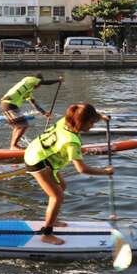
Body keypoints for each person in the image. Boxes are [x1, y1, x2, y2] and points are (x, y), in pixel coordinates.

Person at [24, 103, 114, 245]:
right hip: (37, 160)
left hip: (41, 154)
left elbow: (81, 110)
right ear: (81, 122)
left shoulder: (66, 120)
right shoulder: (72, 142)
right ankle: (46, 234)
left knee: (62, 186)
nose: (92, 126)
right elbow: (82, 169)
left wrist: (101, 117)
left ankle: (52, 219)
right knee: (57, 196)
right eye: (91, 123)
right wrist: (106, 172)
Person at [0, 73, 63, 150]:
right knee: (23, 125)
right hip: (9, 104)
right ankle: (14, 146)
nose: (39, 86)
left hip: (7, 104)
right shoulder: (29, 79)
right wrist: (58, 80)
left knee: (18, 126)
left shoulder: (28, 90)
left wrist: (44, 113)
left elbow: (34, 104)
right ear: (38, 80)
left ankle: (12, 146)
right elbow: (45, 82)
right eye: (39, 84)